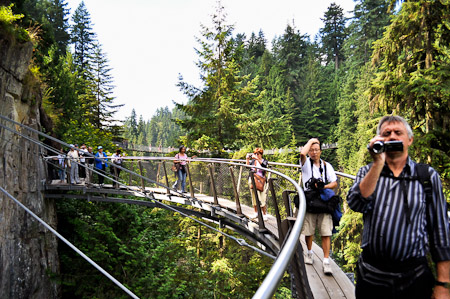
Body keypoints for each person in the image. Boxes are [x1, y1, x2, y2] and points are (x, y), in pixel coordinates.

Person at [347, 116, 450, 299]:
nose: (392, 136)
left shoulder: (426, 176)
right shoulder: (367, 172)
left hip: (414, 277)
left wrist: (443, 283)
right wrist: (378, 163)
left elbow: (440, 231)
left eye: (398, 132)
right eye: (386, 134)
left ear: (409, 140)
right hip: (372, 277)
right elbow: (356, 203)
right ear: (379, 140)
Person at [300, 138, 337, 275]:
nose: (314, 152)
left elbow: (334, 182)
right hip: (310, 201)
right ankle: (309, 253)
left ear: (320, 151)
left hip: (323, 202)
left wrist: (324, 186)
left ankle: (326, 260)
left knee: (326, 232)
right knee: (309, 230)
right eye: (312, 150)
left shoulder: (327, 166)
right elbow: (302, 154)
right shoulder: (305, 164)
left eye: (316, 150)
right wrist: (311, 141)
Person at [246, 148, 269, 221]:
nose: (256, 155)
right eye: (255, 154)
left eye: (257, 154)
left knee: (262, 198)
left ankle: (264, 214)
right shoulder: (253, 161)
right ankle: (255, 212)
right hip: (253, 180)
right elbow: (248, 167)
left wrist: (257, 159)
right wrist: (247, 159)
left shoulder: (264, 161)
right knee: (254, 197)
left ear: (261, 154)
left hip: (261, 181)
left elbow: (264, 166)